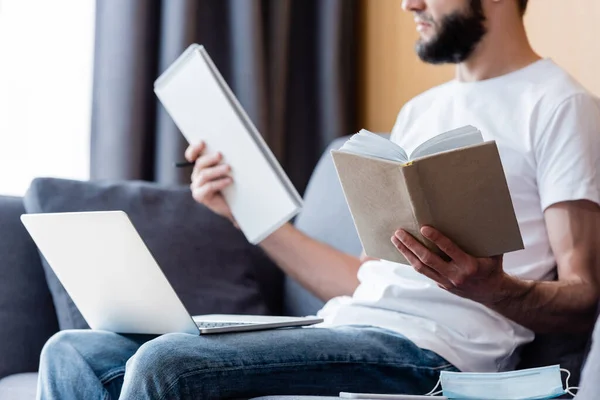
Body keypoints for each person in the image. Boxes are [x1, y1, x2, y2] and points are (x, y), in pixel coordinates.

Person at [38, 0, 600, 399]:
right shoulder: (421, 112)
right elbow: (364, 279)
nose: (408, 4)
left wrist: (492, 287)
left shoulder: (558, 106)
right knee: (72, 351)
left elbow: (583, 295)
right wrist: (247, 216)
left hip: (435, 354)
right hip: (348, 326)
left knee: (169, 366)